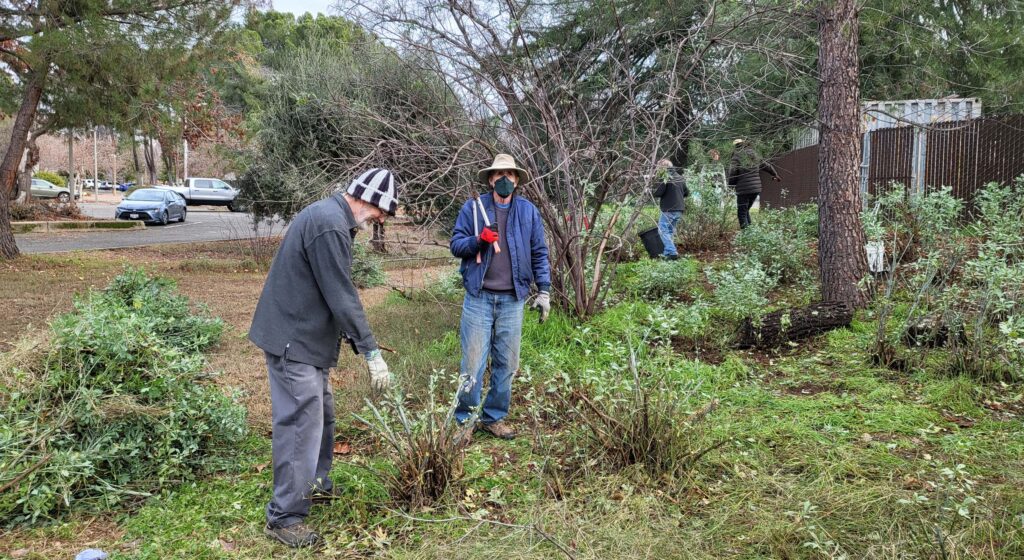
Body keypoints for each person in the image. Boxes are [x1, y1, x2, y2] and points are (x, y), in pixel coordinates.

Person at [248, 168, 399, 549]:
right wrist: (370, 351)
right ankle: (284, 517)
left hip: (305, 340)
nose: (381, 219)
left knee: (322, 417)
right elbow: (342, 295)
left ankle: (315, 486)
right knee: (301, 425)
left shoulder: (330, 218)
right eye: (383, 211)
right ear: (369, 200)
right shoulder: (330, 225)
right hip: (292, 341)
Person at [449, 153, 551, 440]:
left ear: (516, 180)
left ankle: (493, 418)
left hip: (512, 299)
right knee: (472, 365)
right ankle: (465, 422)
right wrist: (478, 240)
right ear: (490, 179)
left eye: (510, 174)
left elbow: (539, 252)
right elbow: (456, 244)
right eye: (498, 174)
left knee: (507, 364)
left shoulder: (528, 211)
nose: (504, 179)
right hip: (479, 298)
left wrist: (544, 290)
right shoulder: (474, 208)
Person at [728, 139, 780, 229]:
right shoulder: (754, 154)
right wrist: (775, 174)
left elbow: (733, 172)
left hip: (743, 190)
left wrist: (731, 184)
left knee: (742, 213)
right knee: (745, 210)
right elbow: (766, 166)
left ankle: (747, 236)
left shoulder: (736, 156)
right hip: (756, 189)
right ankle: (750, 233)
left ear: (735, 146)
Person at [652, 158, 689, 260]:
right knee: (669, 231)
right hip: (679, 209)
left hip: (669, 209)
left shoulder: (666, 177)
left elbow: (658, 193)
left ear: (663, 168)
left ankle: (672, 252)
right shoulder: (680, 177)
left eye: (659, 168)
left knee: (663, 230)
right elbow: (686, 192)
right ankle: (667, 254)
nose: (658, 170)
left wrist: (651, 187)